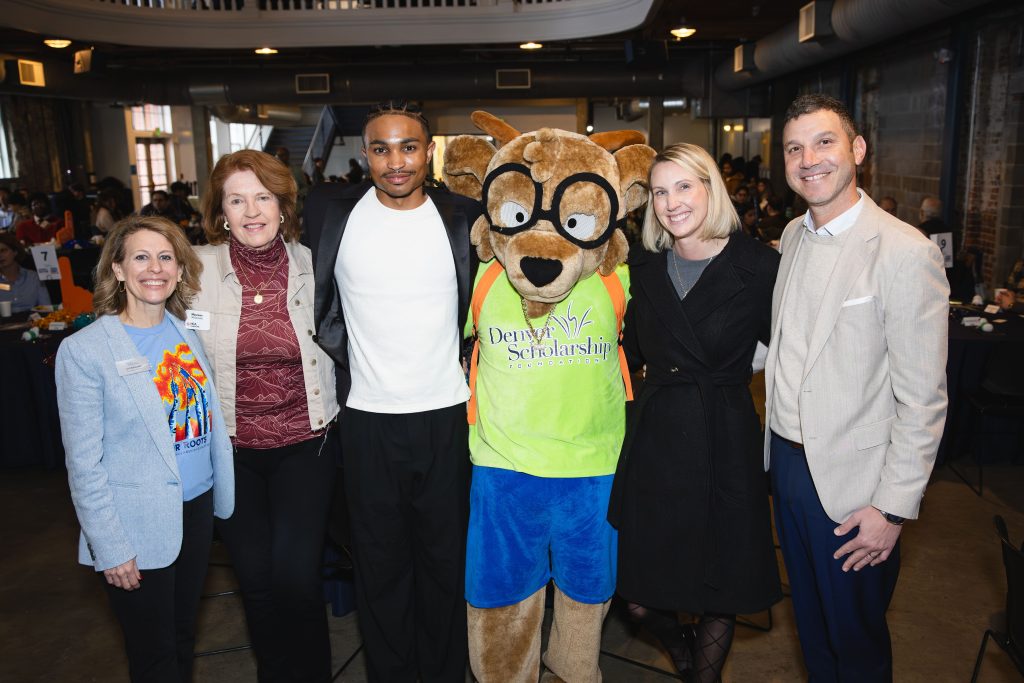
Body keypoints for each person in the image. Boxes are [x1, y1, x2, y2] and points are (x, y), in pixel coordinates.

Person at [765, 94, 948, 681]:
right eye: (795, 148)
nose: (809, 159)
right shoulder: (793, 235)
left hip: (856, 486)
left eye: (824, 142)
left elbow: (924, 399)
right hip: (788, 467)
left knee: (856, 644)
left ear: (857, 151)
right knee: (814, 633)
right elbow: (786, 343)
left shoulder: (904, 251)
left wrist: (892, 509)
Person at [304, 103, 479, 681]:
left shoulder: (464, 219)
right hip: (367, 420)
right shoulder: (332, 214)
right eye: (381, 148)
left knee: (443, 565)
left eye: (408, 147)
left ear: (429, 152)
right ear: (364, 155)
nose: (395, 161)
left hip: (447, 417)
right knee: (379, 570)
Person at [609, 143, 782, 683]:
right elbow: (625, 350)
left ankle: (700, 674)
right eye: (660, 191)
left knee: (718, 589)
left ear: (711, 188)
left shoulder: (759, 265)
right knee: (636, 598)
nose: (671, 202)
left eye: (684, 186)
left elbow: (791, 351)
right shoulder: (644, 265)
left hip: (723, 439)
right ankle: (685, 655)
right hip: (656, 441)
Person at [55, 214, 235, 682]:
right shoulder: (85, 351)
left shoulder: (186, 333)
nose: (154, 268)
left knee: (181, 640)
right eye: (140, 257)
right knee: (153, 656)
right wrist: (110, 547)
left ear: (178, 269)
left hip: (194, 511)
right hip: (134, 525)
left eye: (165, 257)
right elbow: (84, 464)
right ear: (117, 269)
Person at [193, 149, 340, 681]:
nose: (251, 211)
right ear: (220, 210)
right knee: (255, 582)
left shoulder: (318, 263)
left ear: (283, 205)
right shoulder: (193, 270)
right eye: (237, 199)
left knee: (296, 578)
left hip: (306, 444)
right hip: (231, 453)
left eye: (263, 197)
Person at [0, 232, 51, 312]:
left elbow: (46, 308)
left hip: (32, 322)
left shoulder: (33, 277)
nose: (0, 255)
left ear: (15, 252)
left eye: (3, 251)